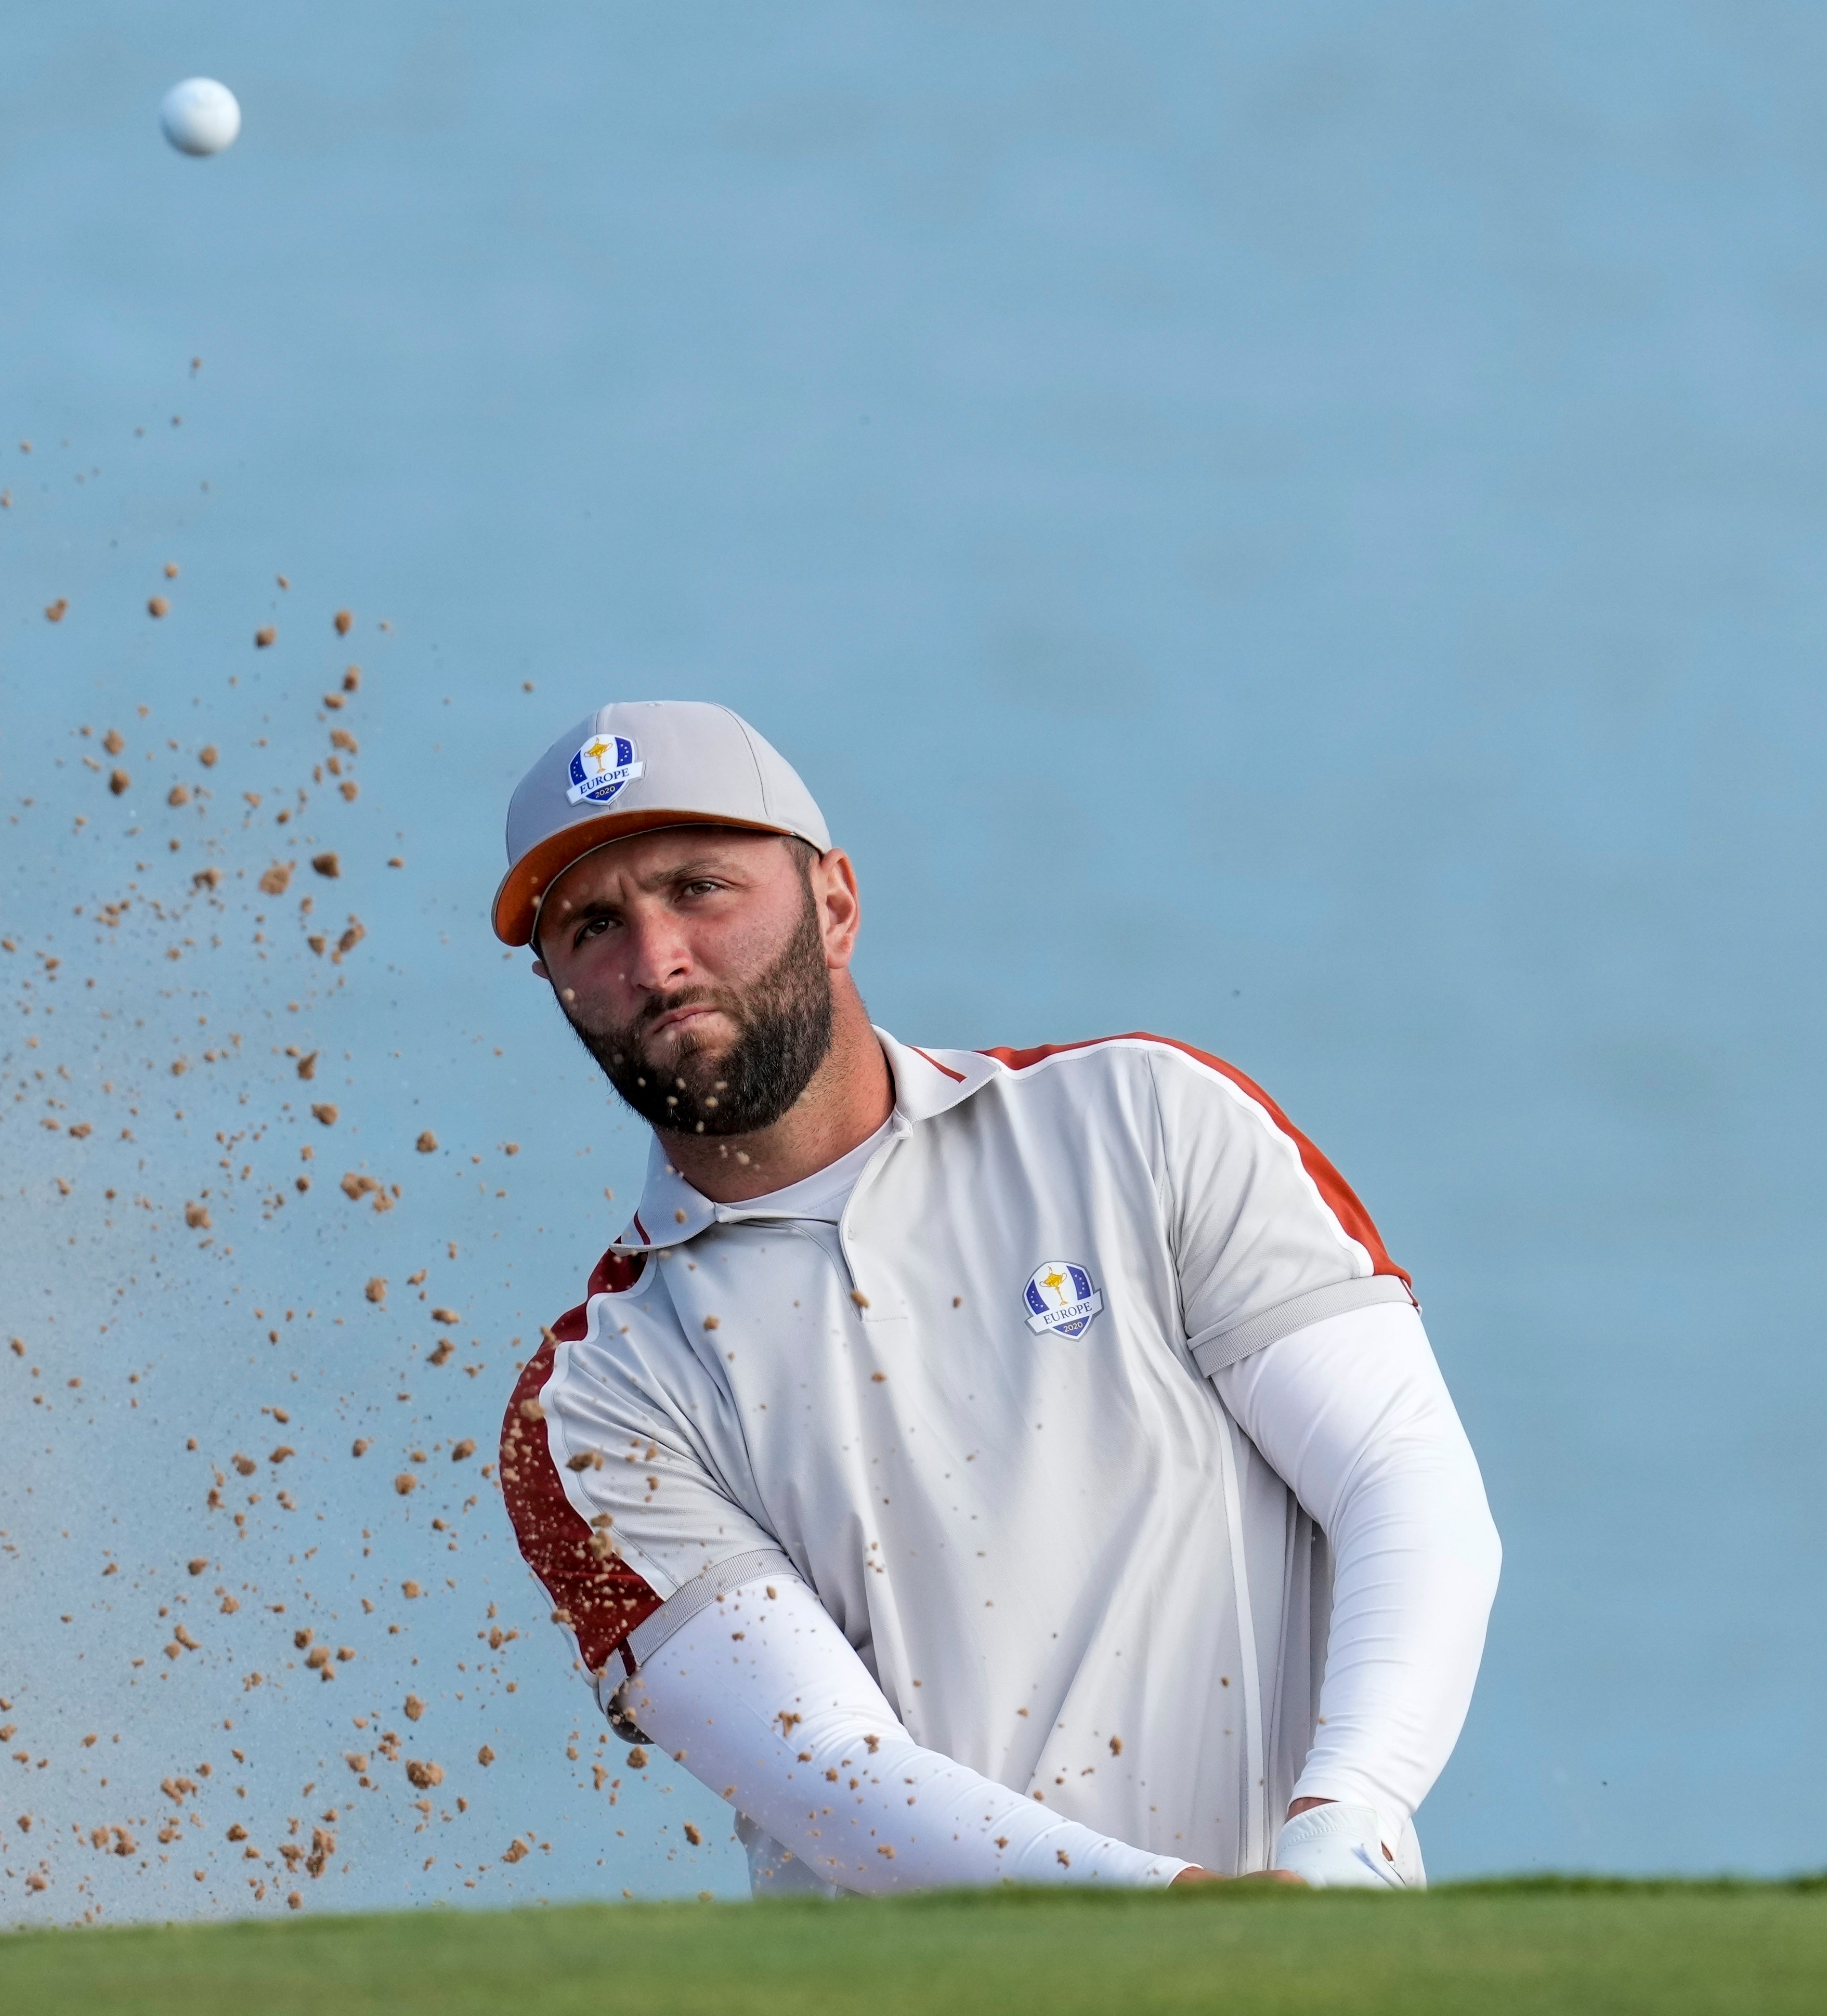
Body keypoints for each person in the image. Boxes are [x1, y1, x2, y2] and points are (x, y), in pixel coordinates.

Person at [489, 701, 1500, 1891]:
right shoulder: (587, 1406)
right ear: (556, 982)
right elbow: (827, 1770)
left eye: (699, 887)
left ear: (833, 904)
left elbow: (1402, 1483)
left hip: (1320, 1952)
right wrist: (1186, 1916)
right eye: (593, 925)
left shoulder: (1146, 1117)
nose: (655, 958)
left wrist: (1348, 1829)